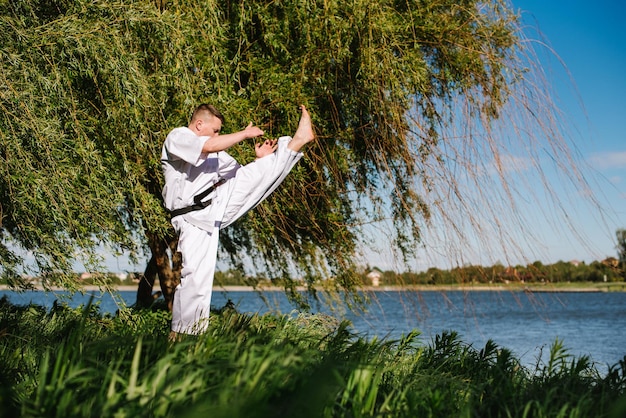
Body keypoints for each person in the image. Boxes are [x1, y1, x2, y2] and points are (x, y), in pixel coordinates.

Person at [161, 104, 314, 335]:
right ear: (199, 124)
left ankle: (297, 142)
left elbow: (237, 173)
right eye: (216, 130)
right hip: (191, 217)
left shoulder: (216, 151)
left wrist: (260, 159)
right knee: (195, 279)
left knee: (255, 175)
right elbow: (209, 145)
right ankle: (183, 336)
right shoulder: (179, 136)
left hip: (214, 207)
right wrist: (244, 134)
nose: (218, 135)